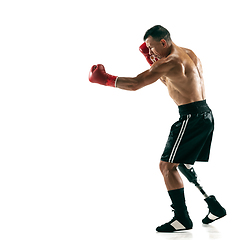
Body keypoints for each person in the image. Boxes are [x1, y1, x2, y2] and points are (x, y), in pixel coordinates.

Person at [89, 25, 226, 232]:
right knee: (182, 165)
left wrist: (106, 80)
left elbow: (136, 83)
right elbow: (172, 82)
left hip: (191, 117)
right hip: (204, 114)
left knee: (166, 166)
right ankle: (214, 206)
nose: (150, 51)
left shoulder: (171, 62)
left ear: (164, 42)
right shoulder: (188, 54)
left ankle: (181, 219)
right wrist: (151, 60)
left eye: (152, 47)